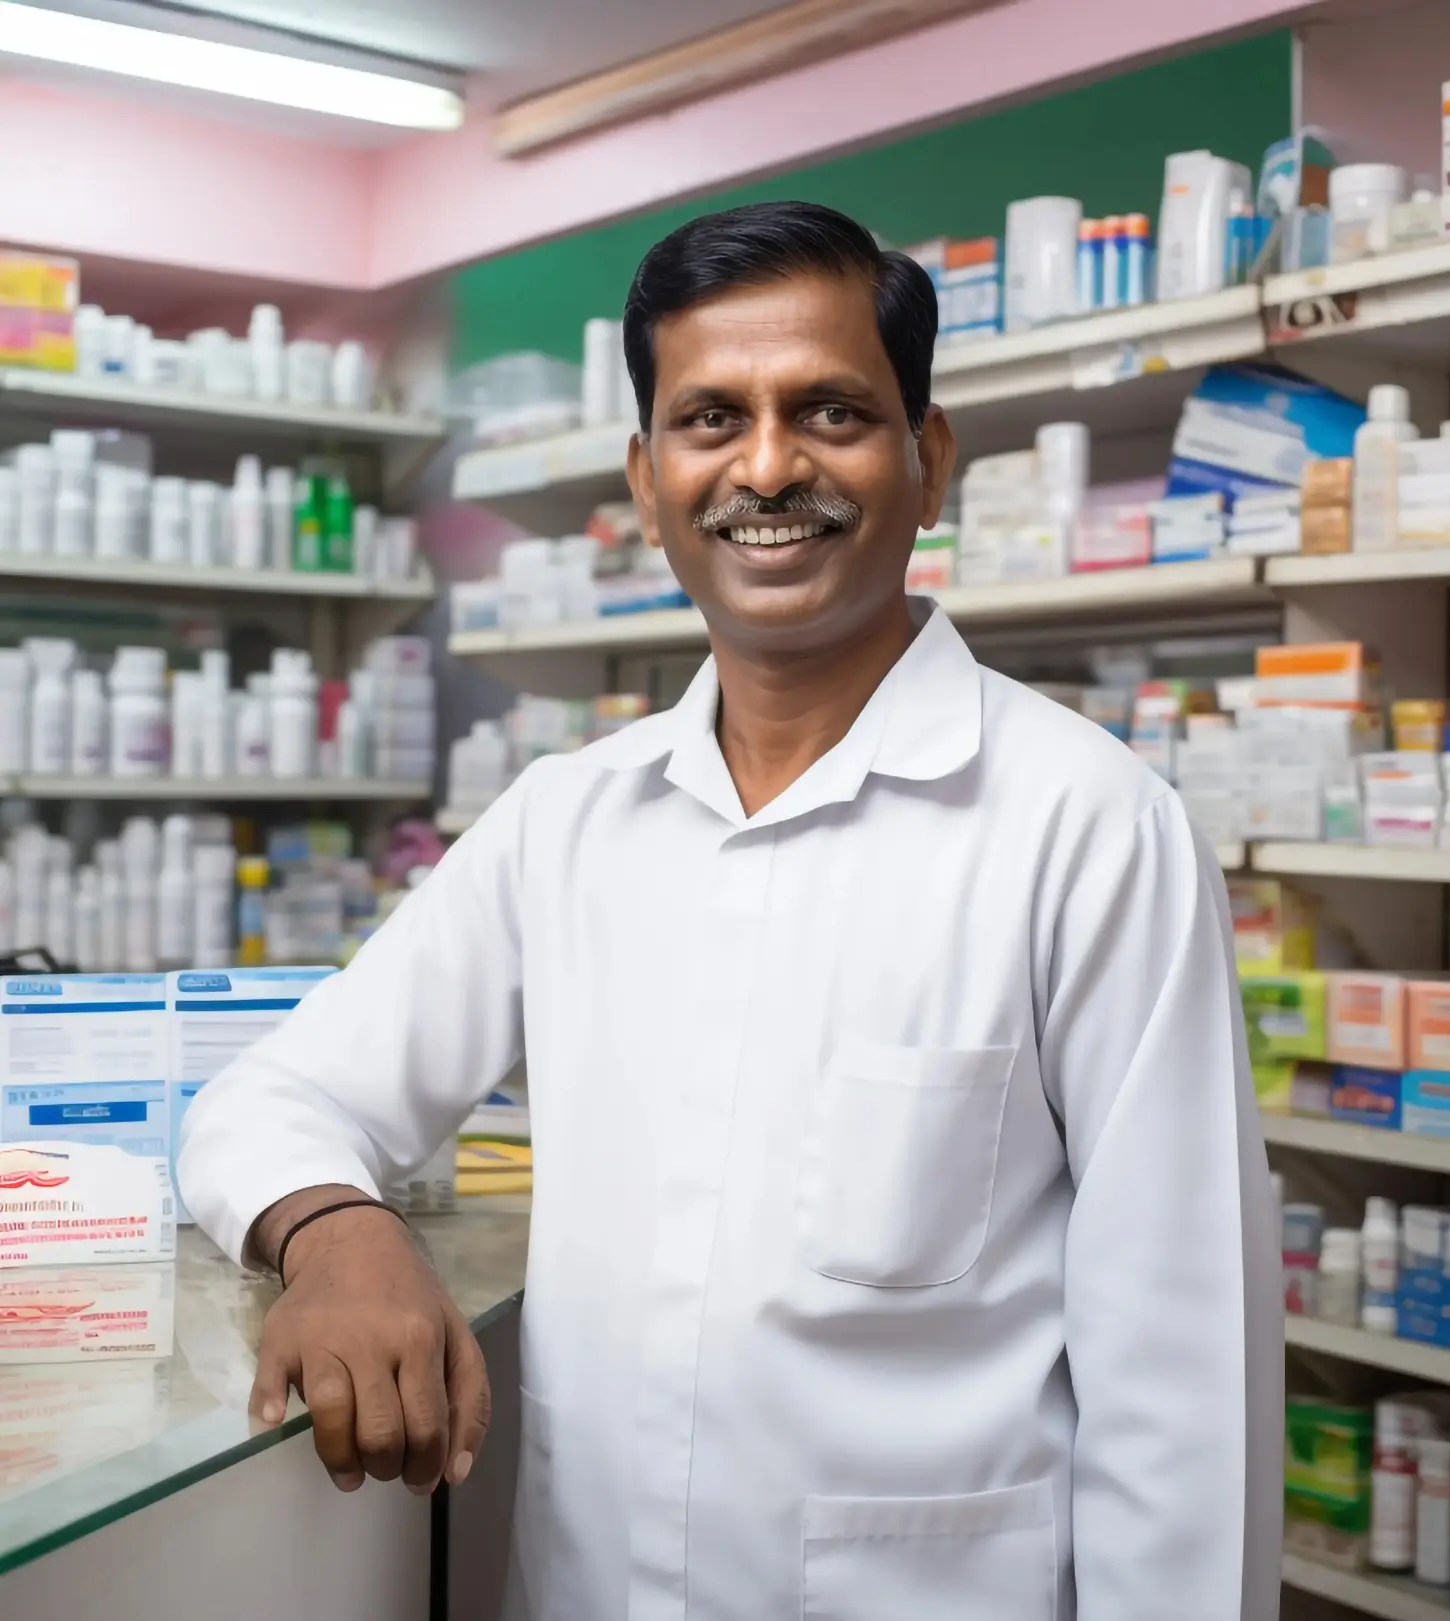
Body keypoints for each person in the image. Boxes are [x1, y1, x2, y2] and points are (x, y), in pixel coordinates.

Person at [180, 199, 1282, 1620]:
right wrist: (339, 1232)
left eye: (831, 411)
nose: (769, 466)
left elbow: (1182, 1391)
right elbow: (270, 1096)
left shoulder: (1086, 828)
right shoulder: (567, 822)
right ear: (647, 483)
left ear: (927, 458)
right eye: (713, 420)